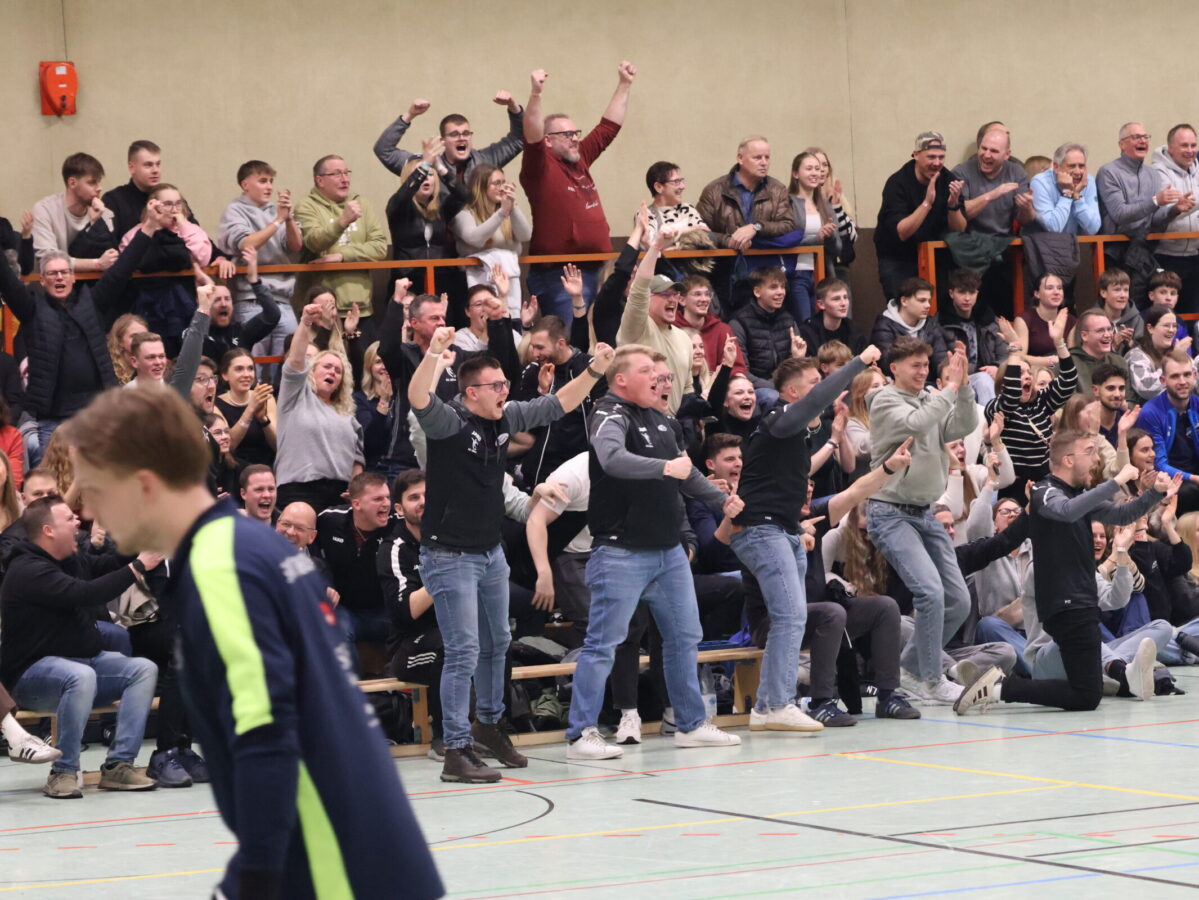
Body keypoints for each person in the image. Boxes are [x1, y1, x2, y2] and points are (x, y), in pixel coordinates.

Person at [63, 385, 443, 898]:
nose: (90, 509)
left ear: (144, 485)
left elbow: (268, 727)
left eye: (97, 491)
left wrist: (259, 875)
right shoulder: (253, 545)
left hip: (323, 857)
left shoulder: (221, 566)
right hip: (350, 834)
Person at [409, 323, 614, 782]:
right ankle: (455, 749)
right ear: (471, 392)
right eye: (497, 386)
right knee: (463, 650)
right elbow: (418, 396)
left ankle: (488, 725)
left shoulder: (503, 419)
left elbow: (558, 404)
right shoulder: (449, 422)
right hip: (449, 556)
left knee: (498, 643)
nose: (506, 391)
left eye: (506, 384)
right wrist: (434, 353)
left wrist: (595, 371)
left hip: (489, 553)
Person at [563, 345, 741, 760]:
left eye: (660, 374)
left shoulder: (663, 420)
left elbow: (686, 473)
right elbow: (611, 459)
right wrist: (664, 468)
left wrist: (722, 501)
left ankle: (690, 724)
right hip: (621, 551)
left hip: (668, 550)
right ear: (621, 379)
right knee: (603, 643)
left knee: (684, 637)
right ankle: (580, 733)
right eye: (647, 372)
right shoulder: (609, 414)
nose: (658, 380)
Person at [955, 430, 1173, 715]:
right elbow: (1066, 511)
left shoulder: (1078, 495)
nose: (1095, 459)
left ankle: (998, 688)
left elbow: (1122, 515)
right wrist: (1115, 482)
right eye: (1089, 452)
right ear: (1069, 460)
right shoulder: (1044, 492)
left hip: (1082, 601)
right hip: (1065, 603)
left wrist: (1156, 492)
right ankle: (1001, 687)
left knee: (1086, 695)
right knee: (1087, 692)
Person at [729, 346, 880, 730]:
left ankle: (767, 708)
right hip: (762, 529)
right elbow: (817, 399)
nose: (823, 391)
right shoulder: (777, 417)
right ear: (793, 393)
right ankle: (776, 704)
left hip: (784, 529)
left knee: (792, 617)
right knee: (790, 616)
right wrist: (858, 364)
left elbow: (802, 468)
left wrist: (832, 440)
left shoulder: (791, 435)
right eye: (814, 383)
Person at [0, 496, 162, 798]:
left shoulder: (71, 559)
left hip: (81, 665)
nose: (78, 522)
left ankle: (118, 766)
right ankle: (63, 771)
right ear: (48, 530)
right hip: (30, 679)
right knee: (79, 675)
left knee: (142, 669)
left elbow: (108, 564)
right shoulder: (27, 570)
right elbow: (85, 593)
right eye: (69, 518)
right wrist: (139, 566)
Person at [0, 201, 168, 458]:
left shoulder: (92, 302)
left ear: (73, 277)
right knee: (56, 480)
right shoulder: (31, 309)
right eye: (52, 274)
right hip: (53, 420)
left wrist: (149, 228)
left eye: (64, 272)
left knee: (103, 476)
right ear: (42, 280)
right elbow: (7, 280)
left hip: (97, 415)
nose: (59, 277)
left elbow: (121, 271)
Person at [866, 338, 976, 704]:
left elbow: (962, 425)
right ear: (893, 368)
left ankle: (909, 670)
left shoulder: (931, 398)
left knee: (958, 600)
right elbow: (917, 422)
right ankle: (931, 679)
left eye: (926, 365)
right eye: (915, 365)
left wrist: (964, 387)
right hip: (889, 512)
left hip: (925, 511)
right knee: (929, 592)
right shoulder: (883, 400)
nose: (922, 371)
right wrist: (949, 389)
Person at [520, 62, 636, 321]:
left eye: (575, 133)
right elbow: (531, 137)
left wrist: (624, 84)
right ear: (548, 140)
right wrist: (536, 94)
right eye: (566, 134)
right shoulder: (539, 168)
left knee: (602, 334)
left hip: (598, 269)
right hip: (560, 274)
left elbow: (608, 128)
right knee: (572, 336)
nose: (575, 138)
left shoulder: (579, 158)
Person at [276, 295, 364, 513]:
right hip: (299, 489)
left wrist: (355, 491)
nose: (332, 372)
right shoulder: (295, 396)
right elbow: (295, 361)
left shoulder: (347, 414)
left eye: (338, 370)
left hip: (339, 493)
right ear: (311, 371)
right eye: (326, 367)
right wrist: (305, 322)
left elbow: (357, 462)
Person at [216, 160, 301, 368]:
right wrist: (278, 221)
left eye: (271, 181)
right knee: (251, 365)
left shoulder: (276, 211)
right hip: (251, 300)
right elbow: (247, 244)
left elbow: (296, 245)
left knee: (289, 363)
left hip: (282, 300)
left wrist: (288, 219)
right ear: (245, 184)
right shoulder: (235, 210)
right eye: (262, 181)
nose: (269, 187)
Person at [294, 155, 389, 342]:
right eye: (337, 174)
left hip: (361, 307)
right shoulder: (306, 206)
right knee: (328, 360)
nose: (345, 179)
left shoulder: (361, 204)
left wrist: (341, 256)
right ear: (320, 180)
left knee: (367, 359)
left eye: (346, 173)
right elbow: (315, 242)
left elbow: (379, 247)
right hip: (321, 311)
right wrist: (343, 221)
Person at [696, 136, 796, 308]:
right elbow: (700, 231)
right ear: (740, 158)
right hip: (726, 272)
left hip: (765, 273)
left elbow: (788, 224)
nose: (764, 162)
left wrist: (757, 227)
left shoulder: (777, 189)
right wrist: (728, 240)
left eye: (767, 157)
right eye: (757, 157)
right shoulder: (714, 190)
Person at [873, 132, 966, 300]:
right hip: (898, 257)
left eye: (941, 157)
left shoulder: (948, 180)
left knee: (941, 305)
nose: (937, 163)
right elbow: (902, 232)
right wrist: (927, 203)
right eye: (931, 157)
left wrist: (953, 205)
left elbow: (959, 229)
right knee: (905, 306)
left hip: (935, 256)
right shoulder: (897, 183)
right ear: (916, 155)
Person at [314, 472, 397, 659]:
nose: (386, 504)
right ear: (356, 504)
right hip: (345, 610)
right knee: (336, 631)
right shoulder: (328, 519)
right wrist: (321, 584)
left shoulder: (397, 524)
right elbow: (309, 549)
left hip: (385, 610)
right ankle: (347, 679)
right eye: (378, 499)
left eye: (387, 497)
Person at [374, 92, 525, 190]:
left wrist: (513, 106)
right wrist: (409, 115)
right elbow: (384, 150)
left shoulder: (484, 161)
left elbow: (519, 138)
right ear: (443, 141)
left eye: (466, 133)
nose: (462, 138)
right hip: (438, 230)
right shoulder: (427, 166)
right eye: (454, 134)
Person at [617, 227, 693, 410]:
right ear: (648, 298)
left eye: (675, 294)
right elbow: (639, 288)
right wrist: (656, 247)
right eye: (665, 294)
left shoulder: (684, 337)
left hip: (671, 422)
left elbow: (687, 388)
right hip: (638, 420)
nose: (673, 300)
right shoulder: (637, 327)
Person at [385, 139, 469, 304]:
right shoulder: (399, 206)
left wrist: (439, 167)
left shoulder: (442, 206)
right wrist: (424, 165)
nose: (426, 179)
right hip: (408, 280)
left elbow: (464, 195)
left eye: (430, 175)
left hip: (441, 279)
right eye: (421, 174)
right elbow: (403, 194)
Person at [452, 163, 532, 317]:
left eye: (503, 182)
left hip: (509, 283)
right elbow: (474, 239)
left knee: (510, 322)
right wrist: (502, 213)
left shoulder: (508, 212)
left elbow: (525, 236)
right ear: (481, 187)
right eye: (496, 183)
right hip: (475, 287)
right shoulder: (465, 214)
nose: (502, 188)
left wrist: (512, 207)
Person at [31, 152, 118, 272]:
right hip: (53, 281)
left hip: (90, 282)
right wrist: (97, 264)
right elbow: (48, 259)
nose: (99, 188)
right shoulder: (44, 210)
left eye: (99, 182)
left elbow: (111, 259)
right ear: (72, 183)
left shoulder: (104, 213)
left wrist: (96, 224)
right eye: (92, 182)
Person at [1135, 351, 1199, 513]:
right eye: (1175, 376)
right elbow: (1159, 464)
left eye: (1187, 374)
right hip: (1168, 478)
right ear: (1163, 381)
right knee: (1189, 492)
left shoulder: (1197, 404)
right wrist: (1194, 478)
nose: (1182, 381)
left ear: (1195, 375)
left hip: (1195, 473)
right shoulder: (1151, 413)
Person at [938, 268, 1007, 405]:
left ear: (977, 293)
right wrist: (981, 371)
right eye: (962, 292)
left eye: (972, 292)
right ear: (951, 293)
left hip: (993, 374)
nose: (967, 298)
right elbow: (940, 362)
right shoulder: (941, 323)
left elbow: (1005, 354)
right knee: (983, 379)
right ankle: (991, 417)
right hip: (959, 378)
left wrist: (996, 367)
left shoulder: (989, 320)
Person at [730, 266, 802, 390]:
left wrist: (798, 359)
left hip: (785, 385)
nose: (781, 292)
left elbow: (795, 367)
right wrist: (775, 388)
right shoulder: (739, 322)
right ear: (757, 292)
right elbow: (742, 370)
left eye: (783, 287)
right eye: (773, 287)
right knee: (770, 396)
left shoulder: (788, 320)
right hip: (754, 388)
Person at [1152, 124, 1199, 313]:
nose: (1190, 151)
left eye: (1193, 145)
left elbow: (1190, 203)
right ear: (1170, 148)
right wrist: (1180, 207)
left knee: (1193, 314)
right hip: (1167, 255)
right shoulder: (1158, 172)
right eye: (1184, 145)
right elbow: (1170, 208)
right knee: (1168, 315)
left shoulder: (1197, 169)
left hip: (1195, 253)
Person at [869, 277, 950, 377]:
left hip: (927, 383)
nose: (928, 305)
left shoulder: (931, 325)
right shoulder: (884, 326)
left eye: (928, 301)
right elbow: (887, 365)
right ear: (904, 301)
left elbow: (940, 359)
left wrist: (947, 372)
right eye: (922, 300)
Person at [215, 348, 277, 468]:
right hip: (235, 469)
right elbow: (229, 446)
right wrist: (250, 410)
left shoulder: (266, 399)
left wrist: (263, 419)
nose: (246, 374)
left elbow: (277, 445)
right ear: (225, 375)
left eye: (250, 368)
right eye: (239, 369)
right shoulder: (216, 405)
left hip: (266, 467)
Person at [1030, 142, 1101, 235]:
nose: (1077, 172)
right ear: (1056, 167)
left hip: (1076, 242)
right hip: (1046, 243)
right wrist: (1067, 194)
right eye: (1072, 166)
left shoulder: (1088, 181)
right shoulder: (1040, 182)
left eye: (1081, 166)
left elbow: (1093, 228)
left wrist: (1076, 196)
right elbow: (1053, 228)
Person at [1127, 305, 1195, 401]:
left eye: (1174, 326)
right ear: (1150, 328)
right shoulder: (1136, 355)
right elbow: (1146, 388)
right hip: (1147, 409)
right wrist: (1173, 358)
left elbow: (1195, 382)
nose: (1171, 330)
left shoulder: (1177, 351)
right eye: (1166, 325)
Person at [102, 140, 163, 237]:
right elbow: (108, 242)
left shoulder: (169, 198)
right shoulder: (113, 201)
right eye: (148, 165)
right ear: (131, 168)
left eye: (158, 164)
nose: (155, 170)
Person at [641, 160, 709, 246]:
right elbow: (650, 244)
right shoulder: (646, 215)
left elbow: (707, 235)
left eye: (681, 181)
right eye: (676, 182)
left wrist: (681, 231)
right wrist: (691, 231)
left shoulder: (687, 209)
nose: (683, 186)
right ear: (659, 187)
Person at [1013, 273, 1075, 367]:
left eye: (1059, 288)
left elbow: (1073, 357)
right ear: (1037, 294)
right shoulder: (1024, 320)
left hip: (1063, 371)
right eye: (1049, 288)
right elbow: (1019, 357)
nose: (1056, 292)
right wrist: (1050, 361)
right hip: (1033, 372)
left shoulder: (1071, 321)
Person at [1070, 309, 1133, 398]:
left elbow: (1130, 400)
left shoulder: (1119, 362)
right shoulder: (1068, 365)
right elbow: (1068, 404)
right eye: (1100, 331)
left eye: (1109, 329)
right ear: (1084, 336)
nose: (1107, 335)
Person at [799, 276, 866, 356]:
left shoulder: (854, 330)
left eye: (845, 297)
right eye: (836, 299)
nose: (843, 303)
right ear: (821, 304)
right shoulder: (808, 332)